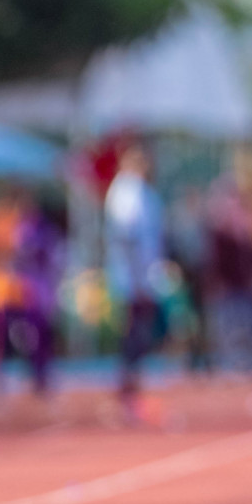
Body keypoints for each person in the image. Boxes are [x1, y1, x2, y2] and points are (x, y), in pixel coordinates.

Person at [104, 145, 165, 409]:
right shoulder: (127, 192)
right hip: (132, 275)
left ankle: (131, 378)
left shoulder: (139, 191)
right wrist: (137, 276)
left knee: (140, 327)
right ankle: (127, 380)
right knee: (134, 328)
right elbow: (127, 236)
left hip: (141, 272)